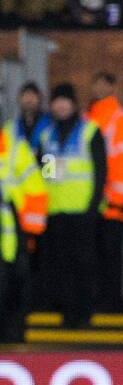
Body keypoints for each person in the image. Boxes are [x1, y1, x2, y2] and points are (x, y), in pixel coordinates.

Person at [36, 84, 105, 328]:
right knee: (61, 264)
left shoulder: (90, 131)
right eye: (56, 101)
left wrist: (93, 207)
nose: (61, 106)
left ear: (74, 104)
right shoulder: (47, 136)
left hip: (83, 212)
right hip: (56, 212)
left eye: (65, 101)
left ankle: (85, 313)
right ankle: (67, 313)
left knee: (84, 263)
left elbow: (100, 173)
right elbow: (47, 177)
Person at [86, 71, 123, 312]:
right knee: (95, 258)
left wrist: (117, 199)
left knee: (110, 258)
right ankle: (101, 303)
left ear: (112, 86)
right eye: (95, 83)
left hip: (110, 203)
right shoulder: (89, 118)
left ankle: (110, 305)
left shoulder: (120, 120)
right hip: (90, 202)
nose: (98, 88)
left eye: (102, 83)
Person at [0, 109, 47, 341]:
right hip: (11, 235)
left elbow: (37, 190)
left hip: (13, 235)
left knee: (15, 289)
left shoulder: (15, 149)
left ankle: (13, 336)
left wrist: (31, 231)